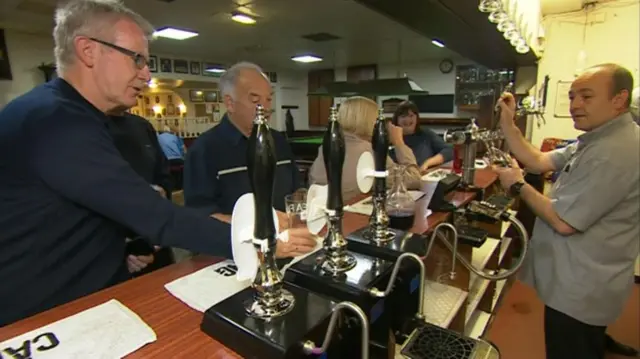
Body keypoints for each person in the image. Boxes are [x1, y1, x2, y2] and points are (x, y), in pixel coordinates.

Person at [0, 0, 233, 326]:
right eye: (136, 59)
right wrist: (258, 240)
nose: (147, 74)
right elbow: (158, 219)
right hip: (44, 319)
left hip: (90, 305)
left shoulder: (80, 116)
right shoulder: (54, 119)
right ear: (88, 50)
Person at [492, 63, 639, 359]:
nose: (574, 105)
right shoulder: (596, 139)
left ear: (619, 99)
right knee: (586, 339)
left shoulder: (615, 152)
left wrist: (518, 185)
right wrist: (509, 121)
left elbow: (563, 222)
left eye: (586, 96)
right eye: (572, 96)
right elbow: (538, 160)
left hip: (581, 285)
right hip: (582, 279)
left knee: (571, 347)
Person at [183, 61, 317, 259]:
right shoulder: (204, 150)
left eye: (269, 99)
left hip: (287, 248)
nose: (266, 108)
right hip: (232, 255)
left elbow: (296, 190)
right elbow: (199, 217)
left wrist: (309, 201)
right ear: (230, 103)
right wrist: (261, 223)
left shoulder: (279, 141)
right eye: (255, 100)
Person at [308, 96, 422, 201]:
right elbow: (414, 179)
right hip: (350, 218)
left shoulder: (327, 146)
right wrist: (399, 142)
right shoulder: (369, 151)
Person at [107, 110, 176, 275]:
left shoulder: (142, 126)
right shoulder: (79, 127)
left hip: (155, 247)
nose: (144, 82)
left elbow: (163, 177)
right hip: (111, 258)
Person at [391, 100, 453, 172]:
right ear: (397, 120)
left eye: (411, 116)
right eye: (403, 116)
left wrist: (427, 163)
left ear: (417, 118)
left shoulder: (426, 134)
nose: (407, 119)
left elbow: (449, 151)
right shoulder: (391, 139)